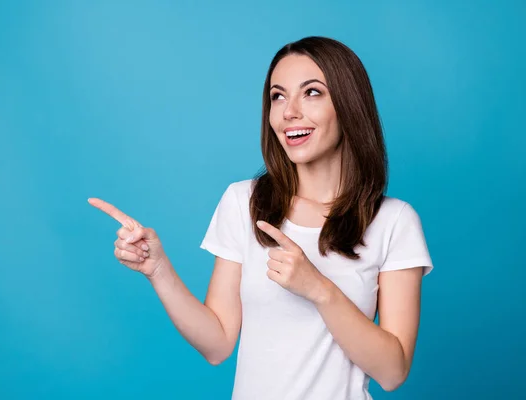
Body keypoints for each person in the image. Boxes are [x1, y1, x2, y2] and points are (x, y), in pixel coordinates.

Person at [88, 36, 433, 400]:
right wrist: (158, 270)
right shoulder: (244, 202)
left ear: (348, 105)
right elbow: (218, 343)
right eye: (278, 96)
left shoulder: (394, 221)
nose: (289, 112)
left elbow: (393, 372)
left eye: (312, 93)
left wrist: (319, 289)